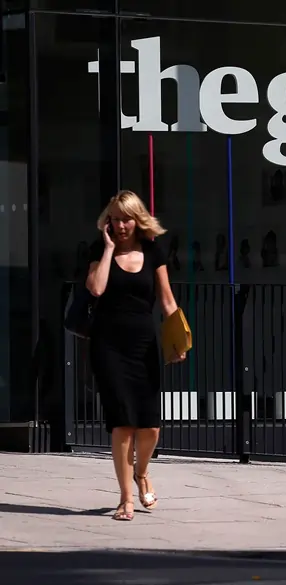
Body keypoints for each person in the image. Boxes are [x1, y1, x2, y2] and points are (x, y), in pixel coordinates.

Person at [85, 190, 185, 521]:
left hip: (143, 344)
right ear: (108, 222)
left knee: (150, 427)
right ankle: (126, 498)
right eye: (115, 218)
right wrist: (109, 248)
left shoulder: (153, 251)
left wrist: (178, 341)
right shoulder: (99, 250)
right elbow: (96, 289)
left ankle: (142, 472)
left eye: (127, 218)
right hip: (108, 345)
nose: (122, 224)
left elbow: (168, 301)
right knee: (123, 424)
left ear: (137, 219)